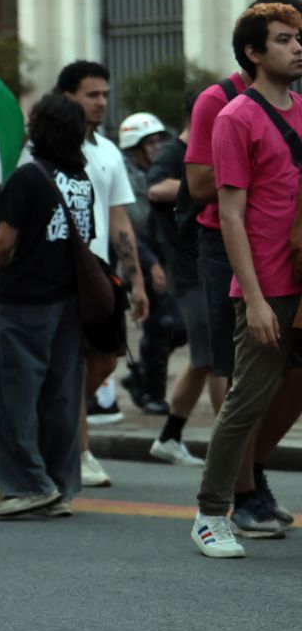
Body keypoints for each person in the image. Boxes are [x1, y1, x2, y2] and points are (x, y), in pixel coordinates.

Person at [184, 0, 302, 534]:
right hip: (266, 282)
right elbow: (228, 215)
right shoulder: (234, 116)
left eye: (298, 38)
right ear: (254, 53)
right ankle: (211, 514)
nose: (298, 48)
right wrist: (252, 298)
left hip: (301, 272)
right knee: (244, 402)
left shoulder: (301, 109)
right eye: (284, 40)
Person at [0, 95, 95, 518]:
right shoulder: (81, 178)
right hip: (68, 302)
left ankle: (28, 485)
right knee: (59, 397)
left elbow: (4, 244)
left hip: (23, 301)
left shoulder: (27, 178)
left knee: (11, 398)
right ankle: (58, 485)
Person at [40, 61, 148, 491]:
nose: (101, 102)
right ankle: (78, 449)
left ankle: (59, 420)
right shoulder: (39, 152)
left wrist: (137, 279)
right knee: (69, 362)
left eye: (105, 94)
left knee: (105, 358)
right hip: (55, 278)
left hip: (101, 278)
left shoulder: (107, 152)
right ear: (67, 97)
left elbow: (119, 220)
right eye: (92, 94)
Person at [144, 89, 222, 466]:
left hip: (212, 268)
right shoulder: (173, 154)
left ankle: (171, 436)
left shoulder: (210, 153)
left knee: (210, 358)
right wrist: (207, 186)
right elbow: (156, 188)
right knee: (213, 357)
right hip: (188, 273)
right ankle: (229, 446)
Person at [116, 112, 182, 417]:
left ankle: (138, 375)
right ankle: (153, 392)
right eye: (149, 142)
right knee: (162, 326)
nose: (157, 146)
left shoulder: (162, 171)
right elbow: (128, 227)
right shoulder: (127, 179)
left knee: (182, 327)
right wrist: (150, 265)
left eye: (159, 140)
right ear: (134, 147)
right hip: (139, 261)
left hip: (168, 257)